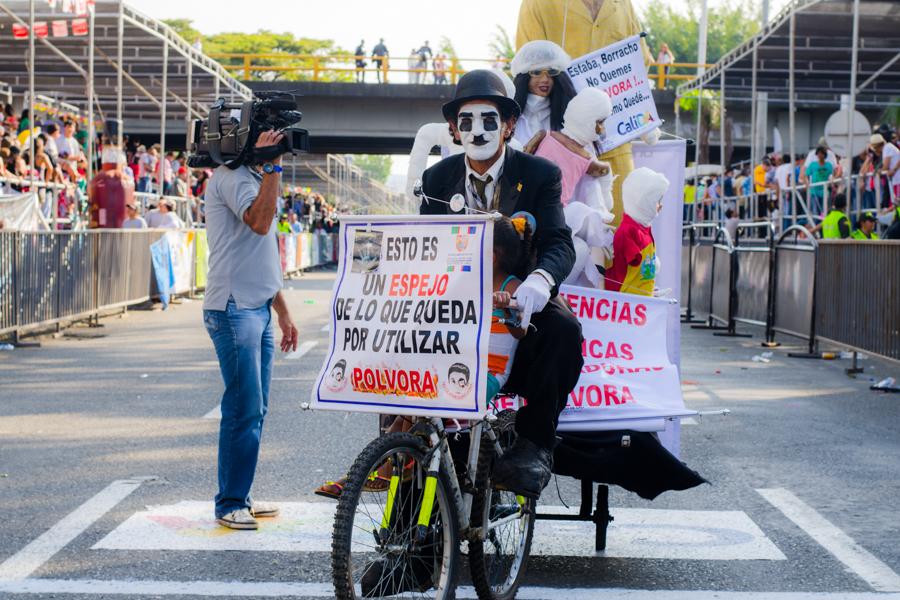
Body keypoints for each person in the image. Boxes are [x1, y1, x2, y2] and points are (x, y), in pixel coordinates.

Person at [420, 70, 583, 499]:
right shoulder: (436, 180)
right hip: (454, 302)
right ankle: (403, 497)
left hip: (518, 292)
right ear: (454, 129)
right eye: (466, 121)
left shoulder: (541, 174)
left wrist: (540, 282)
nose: (478, 131)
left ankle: (534, 444)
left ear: (509, 125)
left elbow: (558, 242)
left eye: (489, 120)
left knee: (564, 330)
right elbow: (420, 246)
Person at [313, 216, 532, 501]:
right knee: (410, 393)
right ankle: (379, 461)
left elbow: (521, 330)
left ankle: (383, 465)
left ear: (491, 256)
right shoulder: (467, 280)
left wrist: (508, 306)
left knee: (424, 395)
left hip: (486, 375)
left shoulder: (514, 287)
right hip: (453, 363)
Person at [203, 130, 299, 530]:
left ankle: (238, 495)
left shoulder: (254, 179)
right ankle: (228, 502)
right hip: (234, 308)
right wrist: (274, 164)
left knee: (254, 409)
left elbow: (261, 254)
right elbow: (259, 224)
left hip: (256, 306)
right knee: (243, 408)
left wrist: (284, 312)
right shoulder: (230, 176)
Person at [517, 0, 655, 224]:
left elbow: (640, 61)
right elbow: (529, 66)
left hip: (616, 142)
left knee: (623, 234)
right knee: (564, 233)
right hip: (560, 146)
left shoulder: (623, 5)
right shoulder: (537, 4)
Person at [530, 86, 616, 287]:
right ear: (588, 120)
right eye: (600, 122)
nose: (602, 129)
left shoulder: (545, 135)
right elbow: (600, 175)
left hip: (531, 209)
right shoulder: (585, 156)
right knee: (581, 235)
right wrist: (607, 183)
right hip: (555, 214)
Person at [605, 167, 669, 295]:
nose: (661, 206)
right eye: (657, 201)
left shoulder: (643, 229)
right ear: (643, 201)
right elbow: (636, 263)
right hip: (625, 298)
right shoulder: (629, 231)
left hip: (638, 296)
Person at [805, 146, 835, 217]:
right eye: (818, 153)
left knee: (824, 211)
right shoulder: (813, 165)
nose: (820, 155)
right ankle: (817, 226)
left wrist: (832, 181)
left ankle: (823, 226)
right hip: (814, 191)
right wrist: (807, 183)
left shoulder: (829, 165)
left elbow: (831, 175)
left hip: (824, 191)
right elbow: (806, 175)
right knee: (815, 212)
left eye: (822, 153)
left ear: (825, 155)